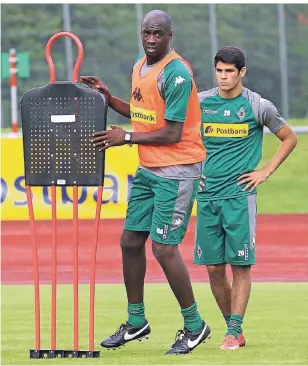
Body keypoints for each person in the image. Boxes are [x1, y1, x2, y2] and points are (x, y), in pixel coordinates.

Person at [81, 10, 211, 355]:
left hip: (179, 169)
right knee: (129, 241)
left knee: (164, 248)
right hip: (150, 170)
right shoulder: (140, 66)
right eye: (146, 33)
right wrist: (109, 99)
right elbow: (143, 116)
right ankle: (136, 321)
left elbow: (171, 132)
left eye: (157, 34)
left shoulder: (177, 73)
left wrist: (124, 139)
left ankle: (195, 325)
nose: (151, 39)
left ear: (170, 36)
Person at [195, 46, 297, 350]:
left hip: (239, 197)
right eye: (219, 70)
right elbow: (181, 136)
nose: (224, 77)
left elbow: (289, 138)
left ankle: (234, 330)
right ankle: (233, 328)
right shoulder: (200, 103)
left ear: (242, 72)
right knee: (213, 269)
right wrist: (192, 170)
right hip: (207, 196)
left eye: (230, 71)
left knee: (240, 266)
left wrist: (265, 171)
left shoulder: (257, 105)